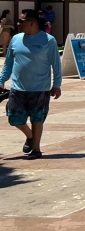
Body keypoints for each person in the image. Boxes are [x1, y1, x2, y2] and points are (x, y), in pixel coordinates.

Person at [0, 9, 62, 159]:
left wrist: (57, 85)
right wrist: (1, 80)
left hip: (40, 88)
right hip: (17, 88)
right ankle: (30, 136)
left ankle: (36, 149)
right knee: (14, 118)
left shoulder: (48, 40)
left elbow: (56, 64)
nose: (18, 23)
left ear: (32, 23)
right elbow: (8, 63)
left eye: (21, 21)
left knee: (37, 119)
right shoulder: (16, 39)